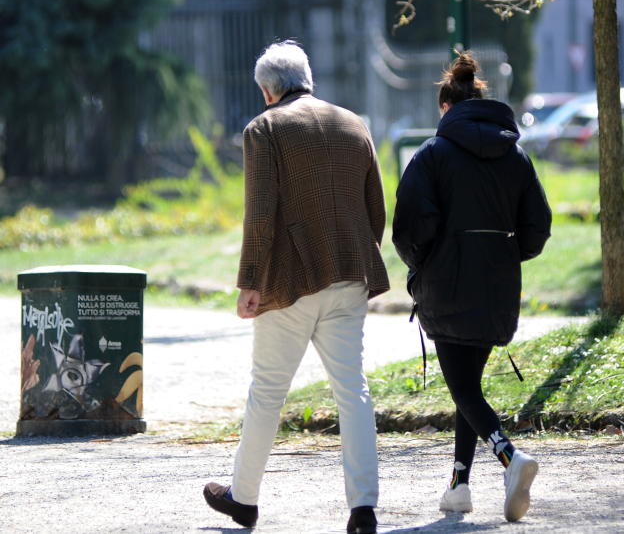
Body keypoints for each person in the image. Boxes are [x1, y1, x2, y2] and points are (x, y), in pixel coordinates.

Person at [202, 40, 389, 534]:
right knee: (353, 391)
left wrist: (249, 283)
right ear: (309, 78)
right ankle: (363, 508)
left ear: (267, 89)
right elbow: (376, 209)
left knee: (267, 392)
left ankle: (243, 499)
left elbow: (260, 215)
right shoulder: (354, 123)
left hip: (290, 280)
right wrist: (353, 254)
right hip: (350, 274)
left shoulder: (264, 129)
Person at [392, 52, 552, 522]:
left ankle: (510, 458)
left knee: (461, 385)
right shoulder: (516, 157)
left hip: (445, 283)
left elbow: (409, 228)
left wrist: (424, 265)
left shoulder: (432, 155)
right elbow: (538, 227)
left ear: (446, 108)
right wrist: (502, 256)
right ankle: (459, 486)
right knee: (469, 385)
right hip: (498, 285)